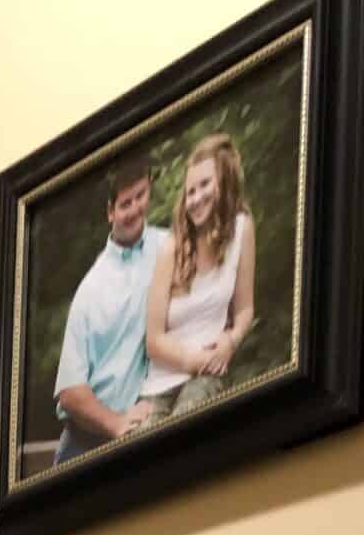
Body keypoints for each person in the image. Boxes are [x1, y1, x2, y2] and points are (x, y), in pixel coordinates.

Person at [52, 151, 166, 462]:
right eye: (125, 203)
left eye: (140, 196)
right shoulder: (91, 290)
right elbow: (70, 391)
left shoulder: (167, 247)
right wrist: (116, 423)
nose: (134, 209)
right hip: (83, 445)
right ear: (110, 213)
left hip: (140, 431)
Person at [139, 134, 255, 423]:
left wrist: (231, 340)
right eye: (190, 191)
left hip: (206, 377)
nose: (196, 198)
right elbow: (153, 340)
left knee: (183, 428)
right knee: (142, 450)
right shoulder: (171, 251)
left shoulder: (242, 230)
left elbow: (244, 309)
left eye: (204, 185)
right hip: (161, 384)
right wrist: (192, 360)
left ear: (224, 184)